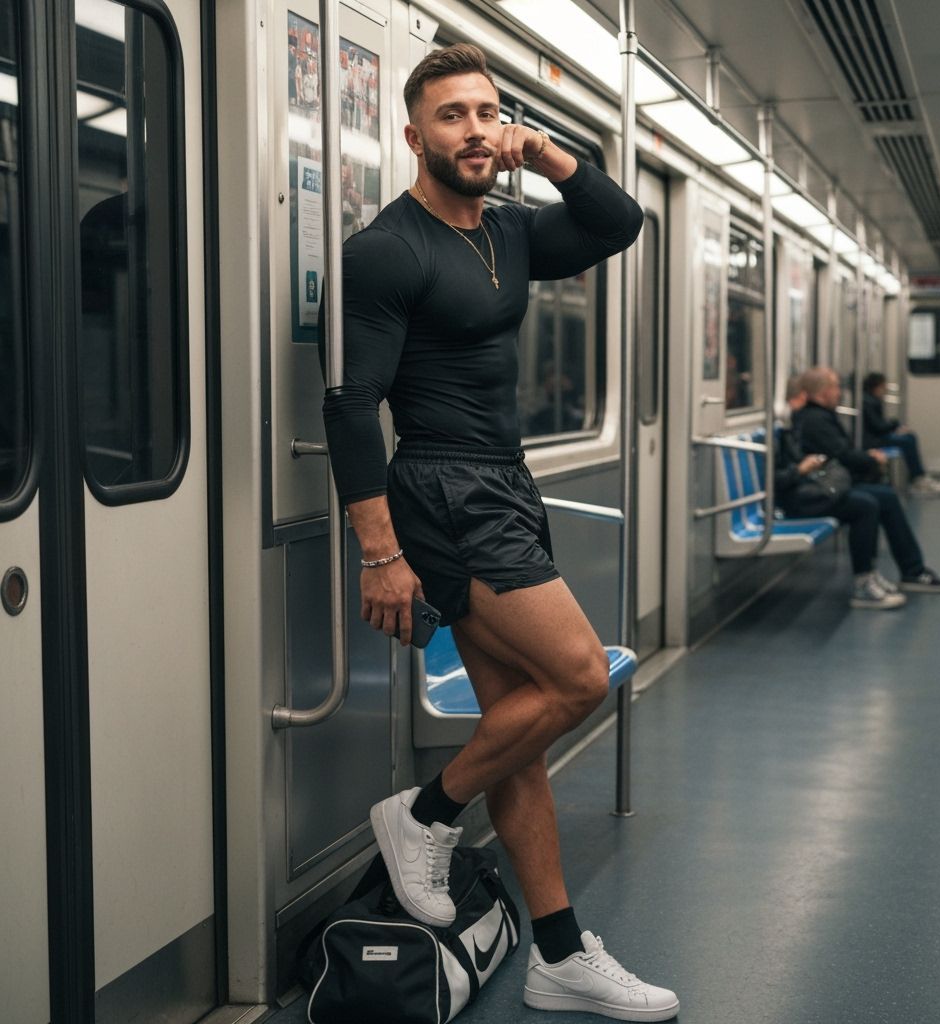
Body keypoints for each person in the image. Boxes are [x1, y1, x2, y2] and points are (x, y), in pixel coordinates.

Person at [321, 44, 677, 1021]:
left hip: (503, 488)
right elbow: (352, 406)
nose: (473, 130)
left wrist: (550, 154)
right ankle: (425, 812)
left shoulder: (507, 233)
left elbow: (619, 220)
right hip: (441, 491)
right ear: (412, 135)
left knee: (518, 724)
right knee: (575, 675)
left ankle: (559, 953)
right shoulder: (386, 249)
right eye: (451, 116)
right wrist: (382, 552)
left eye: (486, 113)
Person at [787, 369, 940, 598]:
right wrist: (871, 459)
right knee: (868, 503)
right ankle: (871, 577)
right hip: (819, 490)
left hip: (826, 485)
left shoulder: (820, 416)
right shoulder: (816, 420)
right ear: (824, 392)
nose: (839, 393)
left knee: (884, 496)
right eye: (835, 388)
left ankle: (909, 570)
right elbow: (842, 455)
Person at [862, 371, 940, 496]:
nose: (885, 389)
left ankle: (918, 476)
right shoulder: (868, 402)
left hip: (877, 435)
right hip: (873, 440)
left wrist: (894, 428)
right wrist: (895, 425)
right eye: (883, 386)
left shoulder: (871, 400)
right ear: (877, 386)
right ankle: (917, 477)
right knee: (906, 441)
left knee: (909, 437)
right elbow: (878, 426)